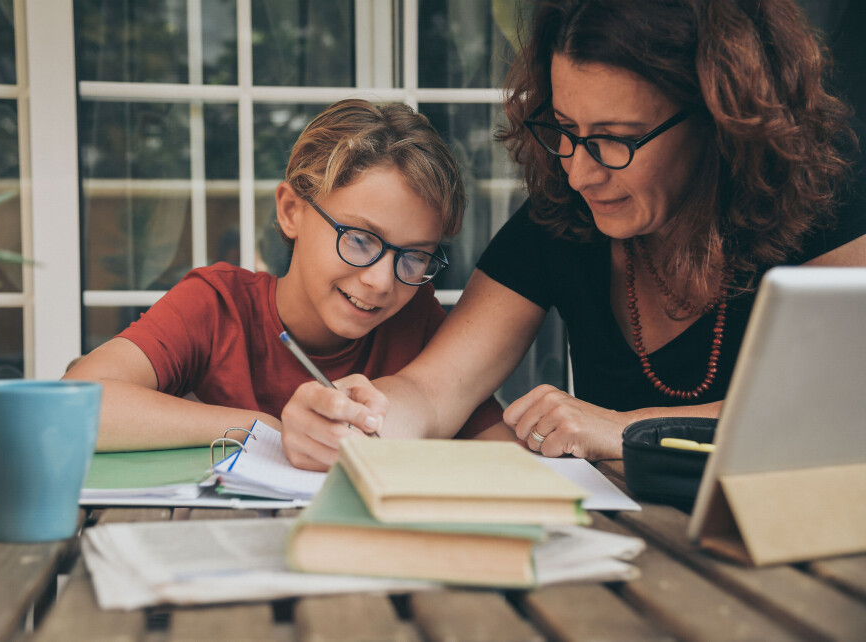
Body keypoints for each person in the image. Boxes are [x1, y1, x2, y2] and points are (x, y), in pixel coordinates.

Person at [280, 0, 866, 470]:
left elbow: (841, 409)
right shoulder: (562, 216)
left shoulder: (825, 204)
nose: (579, 172)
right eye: (564, 129)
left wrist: (624, 426)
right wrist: (363, 420)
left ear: (719, 119)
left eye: (616, 138)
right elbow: (433, 393)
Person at [64, 99, 506, 451]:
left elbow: (506, 459)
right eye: (358, 239)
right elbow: (72, 405)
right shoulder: (218, 306)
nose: (381, 281)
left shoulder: (417, 322)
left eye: (414, 256)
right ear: (291, 211)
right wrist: (262, 428)